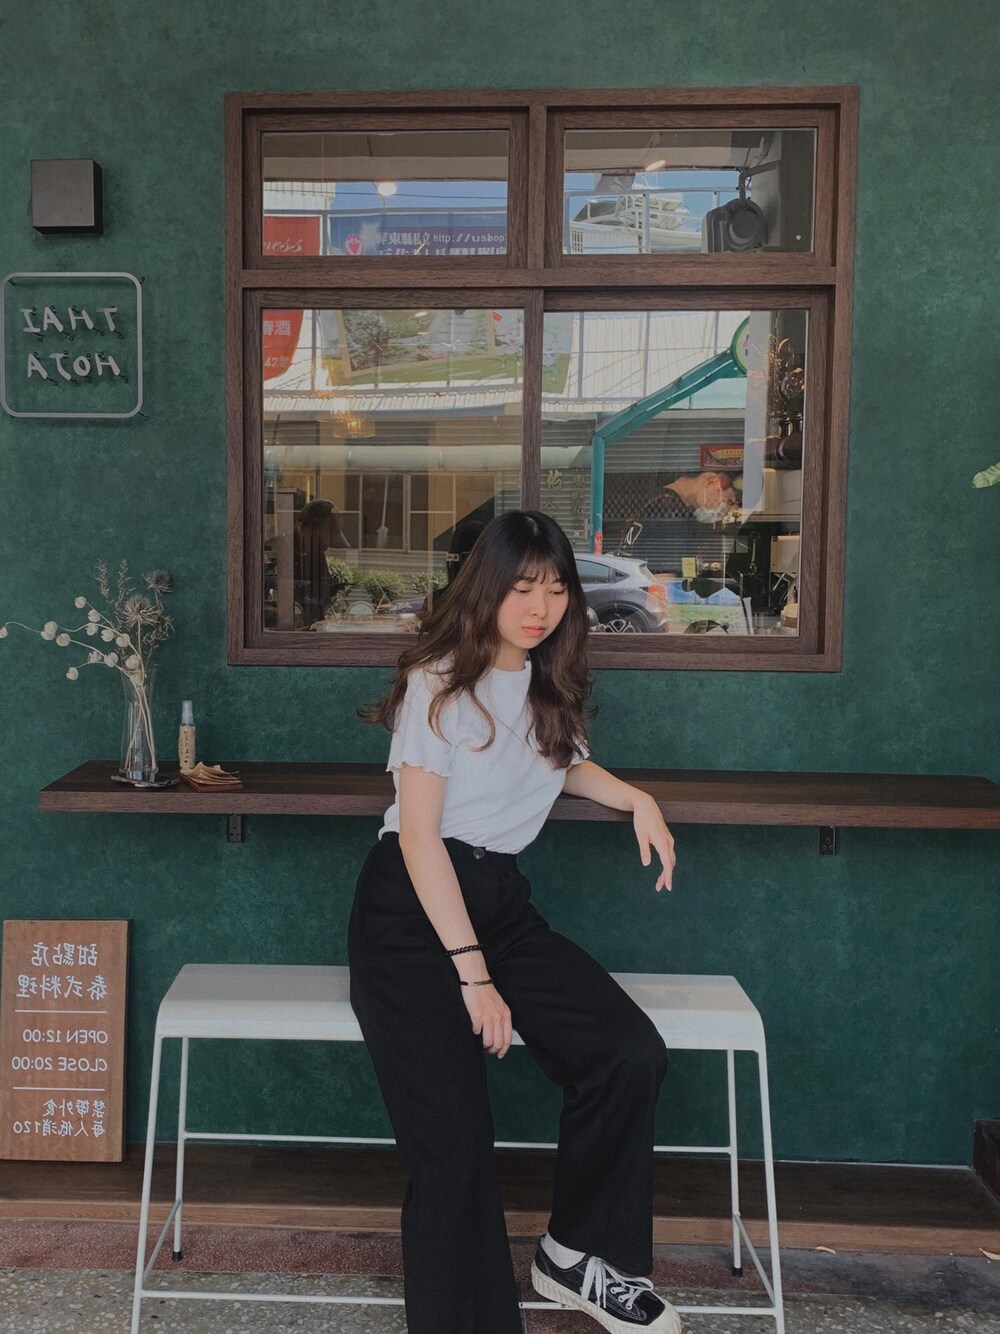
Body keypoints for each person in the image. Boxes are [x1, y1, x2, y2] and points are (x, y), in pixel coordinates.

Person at [350, 510, 681, 1334]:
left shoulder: (543, 681)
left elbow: (564, 763)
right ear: (487, 587)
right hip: (411, 916)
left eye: (557, 588)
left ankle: (573, 1256)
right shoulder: (437, 681)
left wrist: (637, 798)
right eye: (524, 587)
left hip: (499, 902)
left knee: (627, 1052)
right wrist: (474, 977)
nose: (541, 606)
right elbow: (420, 837)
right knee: (455, 1144)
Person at [616, 471, 739, 575]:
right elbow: (665, 577)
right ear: (711, 481)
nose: (720, 507)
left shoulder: (660, 500)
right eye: (727, 500)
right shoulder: (670, 509)